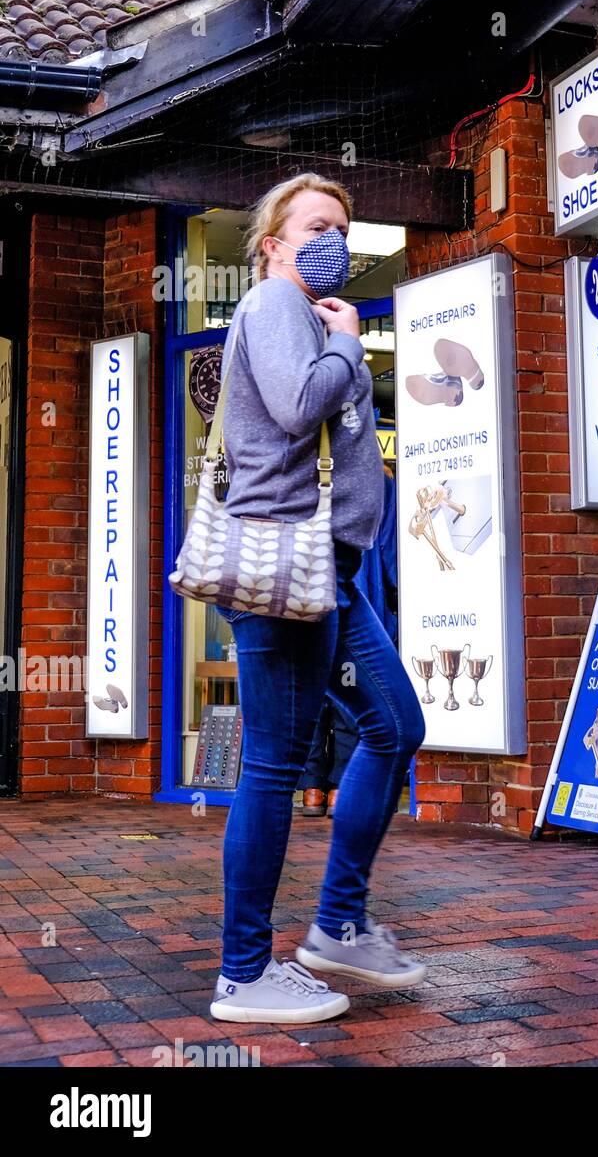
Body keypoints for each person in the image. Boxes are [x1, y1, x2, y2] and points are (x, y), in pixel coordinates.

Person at [208, 173, 426, 1025]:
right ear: (273, 245)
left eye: (342, 225)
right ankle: (244, 973)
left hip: (330, 566)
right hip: (280, 562)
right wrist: (349, 346)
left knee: (396, 725)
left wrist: (342, 344)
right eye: (314, 227)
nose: (332, 239)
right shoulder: (272, 305)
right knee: (271, 764)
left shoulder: (312, 319)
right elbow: (301, 408)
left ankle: (338, 923)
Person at [300, 465, 399, 817]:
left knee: (312, 696)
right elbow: (388, 551)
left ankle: (312, 788)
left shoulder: (294, 467)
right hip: (354, 596)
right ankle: (341, 787)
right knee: (350, 693)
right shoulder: (375, 478)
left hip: (298, 596)